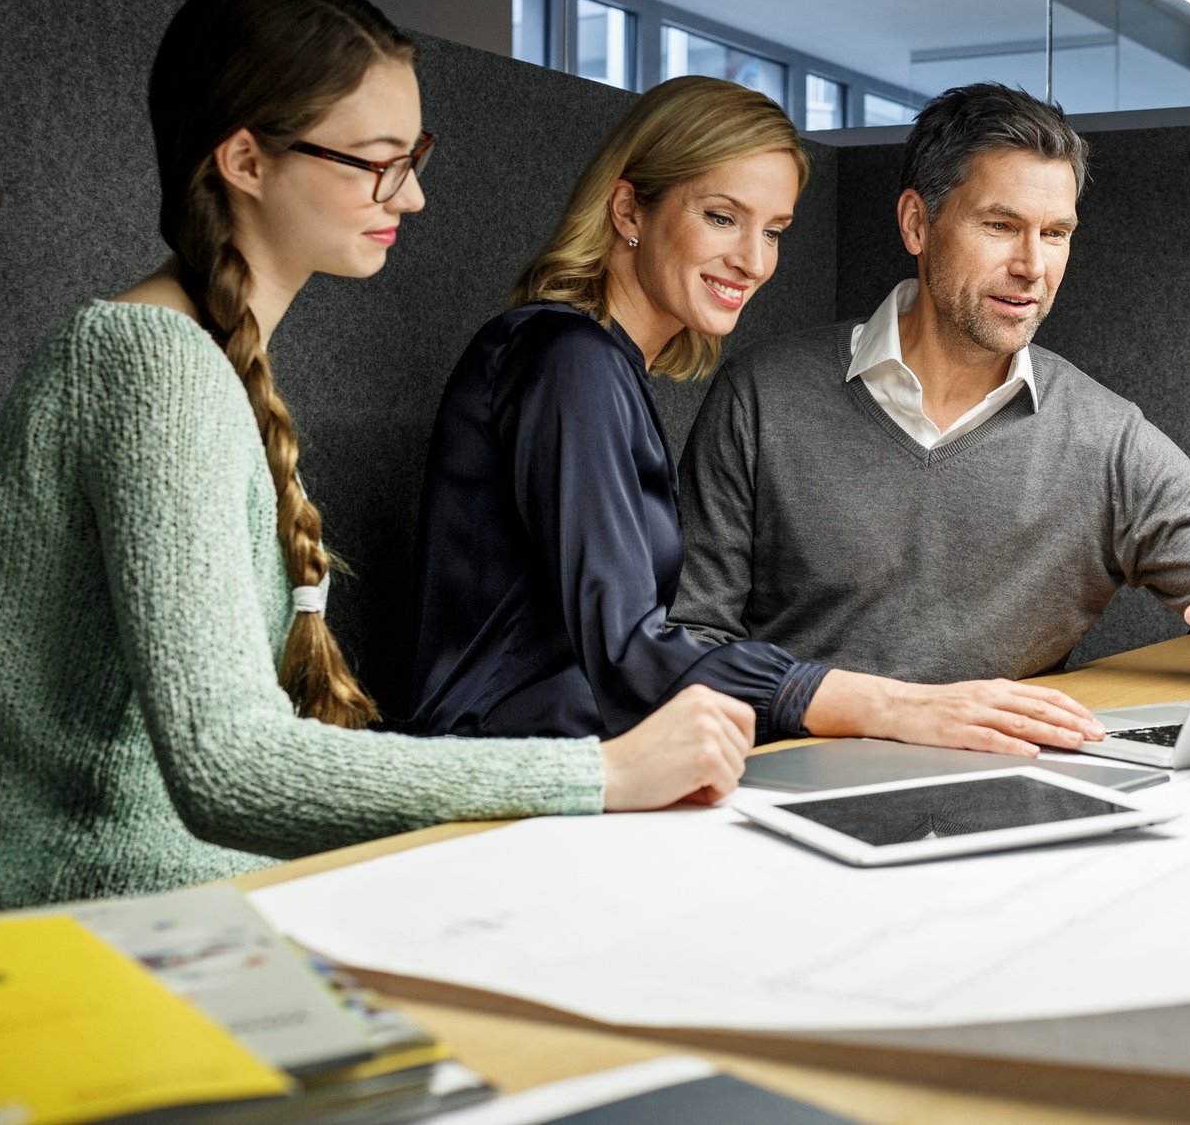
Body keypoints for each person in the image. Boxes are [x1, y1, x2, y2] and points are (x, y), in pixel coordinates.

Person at [0, 0, 753, 912]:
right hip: (98, 928)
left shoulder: (202, 362)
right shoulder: (152, 366)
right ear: (244, 161)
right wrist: (600, 775)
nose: (410, 199)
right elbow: (228, 765)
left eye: (413, 157)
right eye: (375, 161)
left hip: (183, 908)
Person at [404, 78, 1103, 756]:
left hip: (581, 779)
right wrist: (895, 705)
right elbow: (629, 650)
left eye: (773, 231)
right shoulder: (566, 357)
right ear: (627, 211)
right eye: (720, 217)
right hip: (504, 800)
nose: (752, 259)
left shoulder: (602, 366)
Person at [672, 82, 1190, 751]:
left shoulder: (1104, 438)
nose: (1031, 266)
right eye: (1000, 226)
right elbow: (688, 650)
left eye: (1055, 234)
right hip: (788, 775)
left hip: (1000, 784)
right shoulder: (763, 396)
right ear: (917, 223)